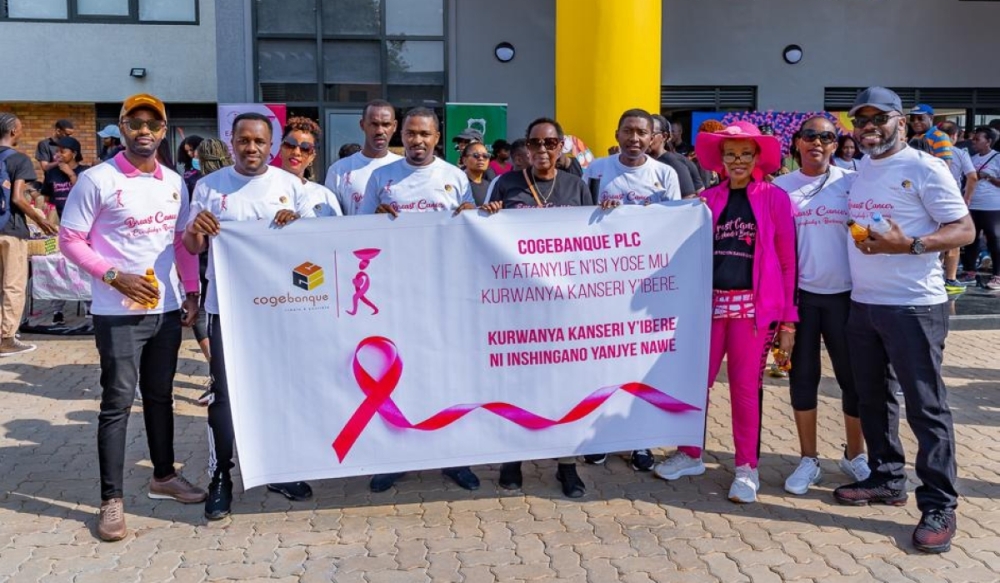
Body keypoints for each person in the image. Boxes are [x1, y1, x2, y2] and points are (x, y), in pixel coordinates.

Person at [832, 87, 975, 554]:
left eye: (879, 118)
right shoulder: (858, 170)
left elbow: (964, 229)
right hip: (864, 304)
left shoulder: (925, 167)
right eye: (860, 120)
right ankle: (887, 478)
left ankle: (939, 504)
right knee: (873, 399)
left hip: (914, 306)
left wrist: (908, 245)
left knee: (925, 407)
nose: (869, 126)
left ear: (901, 121)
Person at [58, 93, 205, 541]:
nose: (144, 131)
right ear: (122, 127)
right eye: (135, 123)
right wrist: (113, 276)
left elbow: (180, 241)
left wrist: (192, 289)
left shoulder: (174, 182)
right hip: (117, 312)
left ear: (164, 131)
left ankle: (164, 475)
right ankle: (111, 500)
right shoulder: (96, 180)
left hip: (165, 309)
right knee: (118, 402)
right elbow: (70, 239)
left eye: (152, 124)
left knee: (161, 396)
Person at [653, 121, 797, 505]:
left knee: (745, 390)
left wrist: (788, 320)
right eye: (731, 154)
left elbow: (787, 262)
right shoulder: (707, 200)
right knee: (695, 383)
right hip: (709, 308)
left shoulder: (774, 198)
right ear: (721, 159)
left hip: (753, 312)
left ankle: (747, 468)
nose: (738, 161)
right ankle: (690, 454)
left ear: (757, 157)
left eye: (745, 154)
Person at [184, 112, 316, 521]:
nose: (252, 148)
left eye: (259, 141)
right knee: (224, 395)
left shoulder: (290, 186)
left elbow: (312, 247)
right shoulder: (208, 186)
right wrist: (197, 229)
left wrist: (296, 226)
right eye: (244, 140)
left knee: (280, 389)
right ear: (232, 143)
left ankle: (278, 470)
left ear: (271, 146)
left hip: (280, 307)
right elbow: (191, 245)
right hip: (227, 308)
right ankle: (220, 476)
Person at [359, 107, 479, 493]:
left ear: (437, 138)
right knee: (398, 376)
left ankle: (454, 458)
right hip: (395, 293)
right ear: (402, 135)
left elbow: (470, 233)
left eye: (425, 134)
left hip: (445, 294)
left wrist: (471, 215)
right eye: (411, 133)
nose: (417, 141)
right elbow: (357, 231)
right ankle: (396, 458)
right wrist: (374, 218)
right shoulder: (382, 176)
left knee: (447, 375)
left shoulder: (454, 176)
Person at [480, 117, 594, 498]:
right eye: (534, 143)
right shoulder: (506, 184)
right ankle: (513, 459)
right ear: (526, 147)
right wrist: (487, 213)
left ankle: (566, 465)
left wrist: (610, 213)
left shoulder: (576, 187)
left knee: (564, 387)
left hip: (562, 306)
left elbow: (592, 240)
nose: (542, 149)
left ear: (561, 146)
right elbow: (481, 232)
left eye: (550, 143)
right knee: (517, 385)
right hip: (516, 305)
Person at [578, 108, 682, 472]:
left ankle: (641, 440)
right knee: (602, 363)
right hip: (602, 287)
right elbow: (580, 221)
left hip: (647, 290)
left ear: (653, 137)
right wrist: (600, 213)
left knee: (641, 366)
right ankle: (600, 437)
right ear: (617, 134)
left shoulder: (665, 174)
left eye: (641, 132)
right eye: (628, 131)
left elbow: (675, 224)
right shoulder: (596, 170)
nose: (634, 139)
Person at [772, 117, 869, 495]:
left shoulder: (853, 182)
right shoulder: (780, 188)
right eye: (810, 136)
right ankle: (808, 459)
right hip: (801, 300)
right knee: (803, 377)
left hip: (847, 297)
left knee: (853, 379)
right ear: (797, 142)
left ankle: (855, 455)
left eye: (826, 137)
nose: (817, 142)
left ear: (835, 144)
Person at [0, 113, 58, 355]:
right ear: (13, 131)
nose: (22, 132)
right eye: (21, 128)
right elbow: (17, 198)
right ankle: (6, 338)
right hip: (10, 230)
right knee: (13, 284)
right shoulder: (18, 159)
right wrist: (41, 220)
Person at [41, 135, 91, 324]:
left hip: (85, 229)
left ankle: (89, 306)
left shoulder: (86, 173)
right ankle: (57, 311)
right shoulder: (51, 174)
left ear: (74, 153)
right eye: (57, 151)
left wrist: (71, 175)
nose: (58, 154)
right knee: (58, 268)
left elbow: (85, 196)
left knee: (85, 266)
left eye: (63, 151)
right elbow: (47, 200)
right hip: (60, 227)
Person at [325, 100, 401, 216]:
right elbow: (330, 219)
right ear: (362, 125)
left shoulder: (404, 167)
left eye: (386, 124)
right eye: (374, 124)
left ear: (394, 126)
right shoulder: (338, 170)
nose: (380, 131)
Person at [936, 122, 977, 292]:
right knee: (953, 240)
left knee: (934, 237)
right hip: (952, 200)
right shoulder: (960, 153)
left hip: (930, 200)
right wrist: (967, 198)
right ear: (954, 136)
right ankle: (950, 279)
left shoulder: (927, 150)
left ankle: (935, 276)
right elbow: (972, 177)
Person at [279, 116, 343, 218]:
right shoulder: (263, 188)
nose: (296, 152)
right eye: (290, 144)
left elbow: (338, 227)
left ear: (312, 156)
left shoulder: (324, 196)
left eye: (305, 148)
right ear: (280, 148)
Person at [962, 126, 1000, 290]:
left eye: (978, 139)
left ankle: (997, 275)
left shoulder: (997, 158)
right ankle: (970, 272)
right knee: (971, 239)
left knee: (994, 239)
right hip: (973, 204)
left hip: (992, 206)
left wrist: (988, 177)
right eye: (974, 139)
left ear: (988, 141)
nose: (974, 142)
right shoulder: (971, 158)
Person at [649, 115, 702, 198]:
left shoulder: (674, 163)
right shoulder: (641, 162)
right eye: (643, 133)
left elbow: (688, 199)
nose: (646, 138)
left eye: (651, 134)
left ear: (664, 136)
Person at [462, 141, 493, 205]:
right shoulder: (458, 184)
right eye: (476, 155)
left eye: (485, 156)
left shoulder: (490, 186)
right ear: (464, 160)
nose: (481, 158)